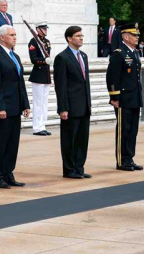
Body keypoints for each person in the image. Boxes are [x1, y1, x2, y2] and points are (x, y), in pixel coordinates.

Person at [0, 25, 30, 189]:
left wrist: (25, 104)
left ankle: (8, 173)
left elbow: (21, 83)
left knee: (12, 143)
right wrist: (0, 108)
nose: (14, 37)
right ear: (2, 38)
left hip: (15, 106)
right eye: (11, 35)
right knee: (0, 144)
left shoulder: (15, 56)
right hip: (2, 108)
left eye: (15, 35)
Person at [53, 25, 92, 179]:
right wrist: (63, 108)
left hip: (84, 105)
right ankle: (69, 169)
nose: (81, 38)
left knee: (82, 139)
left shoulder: (83, 56)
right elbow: (60, 85)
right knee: (70, 139)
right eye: (78, 36)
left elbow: (85, 82)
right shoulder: (62, 58)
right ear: (69, 39)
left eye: (82, 36)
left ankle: (79, 167)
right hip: (70, 106)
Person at [107, 23, 144, 172]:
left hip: (134, 97)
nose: (137, 38)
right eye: (134, 35)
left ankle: (130, 158)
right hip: (123, 98)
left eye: (137, 35)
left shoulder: (135, 52)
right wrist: (114, 96)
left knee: (133, 130)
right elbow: (112, 77)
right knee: (124, 129)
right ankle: (122, 160)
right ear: (126, 36)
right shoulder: (119, 53)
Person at [28, 21, 52, 136]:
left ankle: (43, 125)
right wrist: (43, 61)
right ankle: (37, 127)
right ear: (38, 29)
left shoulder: (46, 42)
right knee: (38, 102)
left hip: (46, 75)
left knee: (44, 103)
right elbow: (33, 59)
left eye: (46, 29)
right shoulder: (33, 41)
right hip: (38, 75)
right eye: (43, 29)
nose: (45, 30)